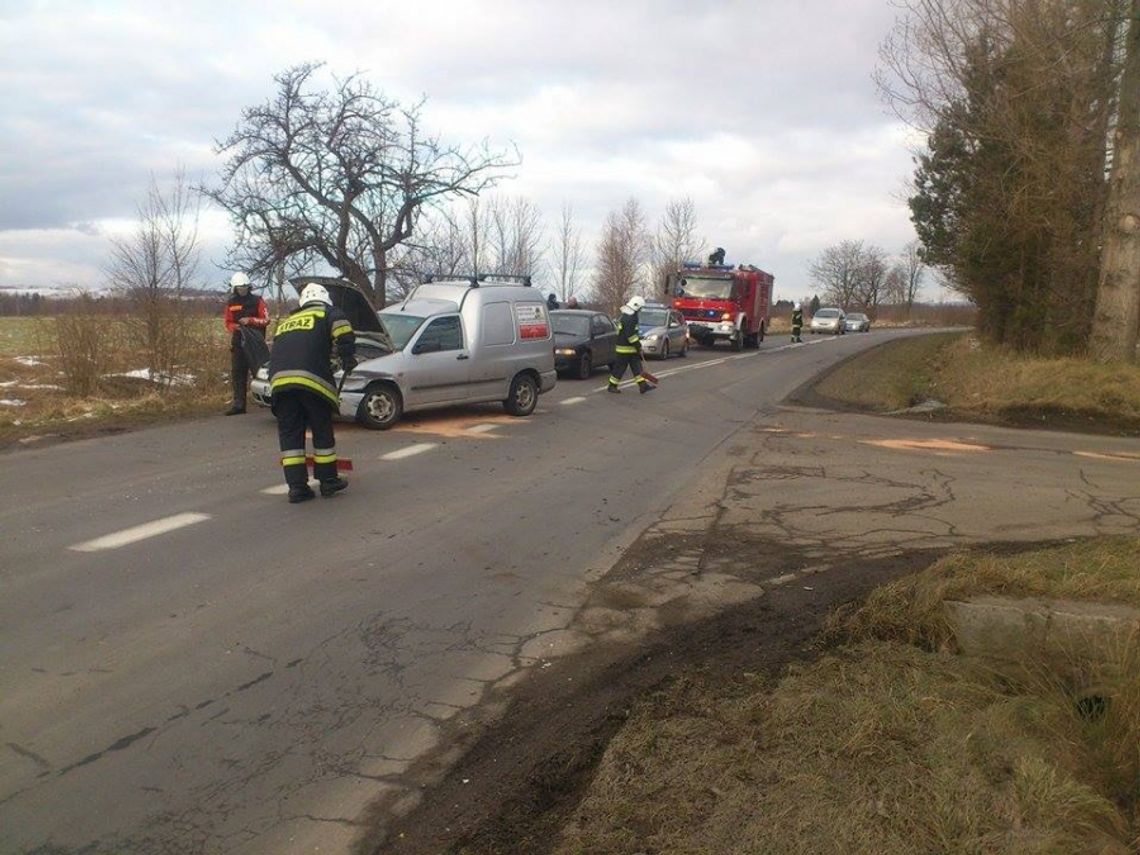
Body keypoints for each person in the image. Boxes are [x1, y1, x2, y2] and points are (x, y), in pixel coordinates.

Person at [268, 282, 356, 504]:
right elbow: (343, 330)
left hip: (280, 383)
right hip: (312, 381)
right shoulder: (327, 312)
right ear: (325, 299)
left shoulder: (287, 322)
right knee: (321, 429)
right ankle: (328, 481)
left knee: (290, 435)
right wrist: (347, 356)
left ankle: (297, 488)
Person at [223, 272, 269, 415]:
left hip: (255, 343)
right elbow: (228, 322)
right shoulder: (231, 303)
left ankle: (268, 400)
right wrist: (234, 327)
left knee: (261, 373)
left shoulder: (258, 301)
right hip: (238, 343)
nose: (241, 290)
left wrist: (250, 321)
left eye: (243, 288)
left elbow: (266, 320)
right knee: (238, 372)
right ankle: (239, 404)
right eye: (239, 288)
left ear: (248, 287)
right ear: (234, 288)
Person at [608, 295, 655, 395]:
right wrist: (638, 346)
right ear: (637, 307)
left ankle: (643, 386)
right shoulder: (632, 318)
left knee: (637, 367)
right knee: (620, 368)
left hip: (628, 348)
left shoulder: (625, 315)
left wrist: (636, 345)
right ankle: (612, 386)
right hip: (625, 349)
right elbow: (631, 335)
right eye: (640, 308)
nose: (641, 310)